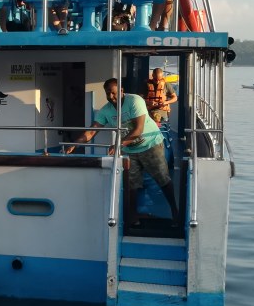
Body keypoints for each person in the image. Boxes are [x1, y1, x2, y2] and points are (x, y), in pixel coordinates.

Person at [69, 78, 179, 228]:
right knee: (131, 184)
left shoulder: (135, 101)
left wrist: (118, 144)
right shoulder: (106, 110)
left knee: (163, 179)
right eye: (108, 94)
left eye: (114, 93)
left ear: (121, 90)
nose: (111, 97)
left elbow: (138, 129)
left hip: (150, 144)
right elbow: (92, 130)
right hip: (130, 150)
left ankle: (175, 212)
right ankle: (132, 217)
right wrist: (75, 144)